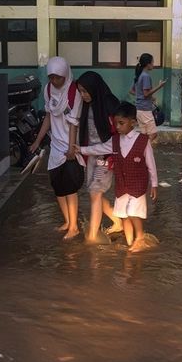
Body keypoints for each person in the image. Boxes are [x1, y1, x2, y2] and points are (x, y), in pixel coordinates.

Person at [78, 102, 158, 253]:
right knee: (124, 216)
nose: (118, 127)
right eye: (116, 124)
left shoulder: (143, 141)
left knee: (134, 214)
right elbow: (98, 148)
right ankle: (129, 243)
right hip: (121, 186)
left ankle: (139, 238)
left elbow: (151, 164)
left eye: (121, 123)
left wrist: (154, 184)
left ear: (133, 122)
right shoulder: (114, 141)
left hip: (137, 186)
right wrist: (81, 149)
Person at [29, 57, 83, 240]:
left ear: (65, 75)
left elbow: (74, 123)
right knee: (58, 187)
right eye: (51, 77)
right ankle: (68, 221)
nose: (54, 81)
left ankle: (74, 227)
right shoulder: (48, 89)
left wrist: (71, 149)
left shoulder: (73, 92)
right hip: (55, 146)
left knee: (70, 187)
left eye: (57, 77)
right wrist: (38, 140)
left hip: (70, 145)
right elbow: (48, 117)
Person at [70, 71, 124, 243]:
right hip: (91, 155)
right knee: (95, 193)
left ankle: (92, 238)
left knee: (95, 192)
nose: (83, 95)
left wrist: (113, 157)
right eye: (80, 91)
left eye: (85, 91)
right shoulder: (87, 104)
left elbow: (119, 133)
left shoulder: (109, 104)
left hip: (106, 157)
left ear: (94, 88)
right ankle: (118, 222)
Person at [132, 53, 166, 140]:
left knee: (144, 134)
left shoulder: (139, 75)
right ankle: (141, 149)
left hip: (139, 109)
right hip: (145, 109)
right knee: (153, 134)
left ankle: (142, 151)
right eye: (152, 62)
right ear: (148, 64)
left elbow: (132, 91)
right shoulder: (146, 76)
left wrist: (150, 97)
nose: (153, 64)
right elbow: (146, 94)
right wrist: (160, 86)